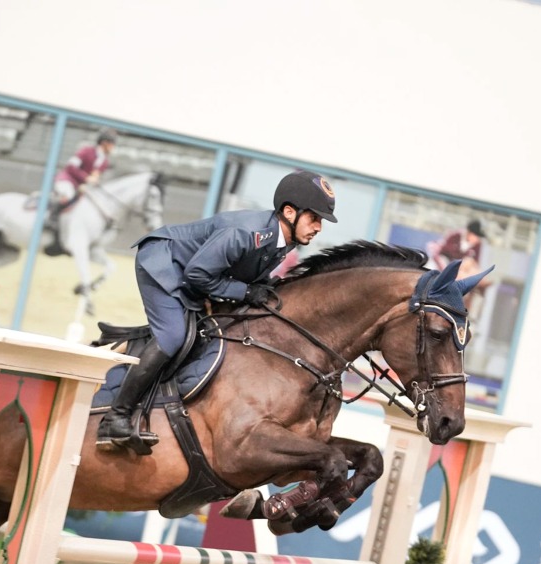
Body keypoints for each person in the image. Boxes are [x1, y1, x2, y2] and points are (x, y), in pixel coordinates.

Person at [96, 169, 338, 452]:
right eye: (315, 218)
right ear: (289, 212)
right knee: (173, 337)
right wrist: (246, 292)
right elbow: (196, 275)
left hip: (192, 271)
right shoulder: (246, 233)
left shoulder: (282, 242)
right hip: (164, 262)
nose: (319, 227)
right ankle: (116, 417)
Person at [45, 128, 116, 241]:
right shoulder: (86, 151)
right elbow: (71, 167)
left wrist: (94, 180)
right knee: (68, 194)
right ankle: (51, 219)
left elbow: (95, 176)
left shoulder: (105, 161)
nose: (113, 147)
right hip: (67, 180)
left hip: (82, 186)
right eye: (112, 144)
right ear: (104, 143)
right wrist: (86, 178)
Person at [428, 218, 493, 318]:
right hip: (439, 262)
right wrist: (446, 272)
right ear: (470, 232)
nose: (478, 240)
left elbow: (474, 263)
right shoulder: (454, 235)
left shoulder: (477, 245)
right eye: (477, 236)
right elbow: (438, 254)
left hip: (458, 268)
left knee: (470, 268)